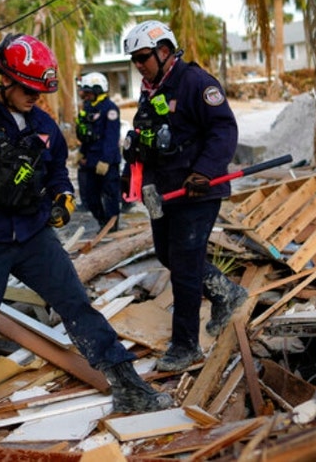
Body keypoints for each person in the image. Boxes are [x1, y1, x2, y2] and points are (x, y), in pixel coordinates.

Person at [0, 34, 172, 419]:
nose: (35, 97)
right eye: (29, 89)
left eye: (40, 91)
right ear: (7, 80)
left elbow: (57, 174)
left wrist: (63, 197)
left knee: (76, 304)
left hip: (31, 233)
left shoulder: (44, 124)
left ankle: (128, 384)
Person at [121, 20, 247, 372]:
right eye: (134, 59)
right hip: (166, 192)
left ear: (164, 50)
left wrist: (204, 171)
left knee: (186, 266)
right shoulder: (151, 90)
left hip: (198, 190)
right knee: (167, 254)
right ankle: (225, 292)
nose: (138, 64)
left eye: (143, 56)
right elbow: (145, 137)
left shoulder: (196, 83)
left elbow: (223, 129)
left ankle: (185, 345)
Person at [75, 72, 121, 232]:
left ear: (97, 90)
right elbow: (87, 135)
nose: (85, 95)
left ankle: (112, 225)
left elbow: (111, 138)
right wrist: (82, 153)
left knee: (110, 195)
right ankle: (102, 222)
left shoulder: (110, 109)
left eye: (88, 92)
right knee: (90, 197)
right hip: (91, 160)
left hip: (106, 162)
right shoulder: (88, 108)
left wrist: (106, 161)